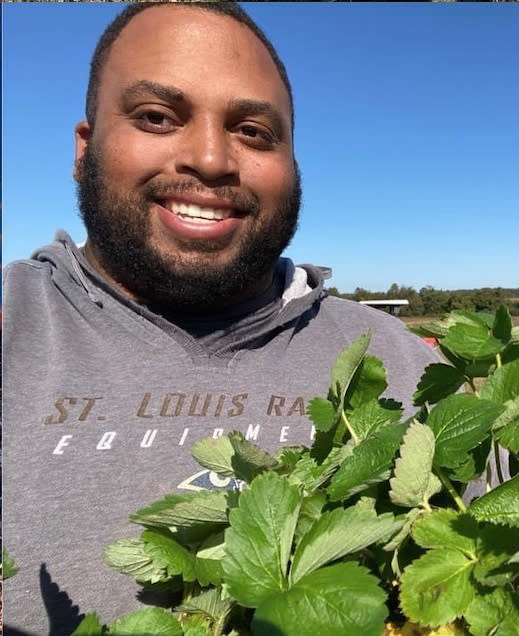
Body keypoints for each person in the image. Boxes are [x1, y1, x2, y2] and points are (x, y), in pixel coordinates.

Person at [2, 4, 442, 634]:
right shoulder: (10, 324)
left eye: (254, 131)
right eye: (157, 117)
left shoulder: (402, 360)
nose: (210, 160)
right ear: (84, 147)